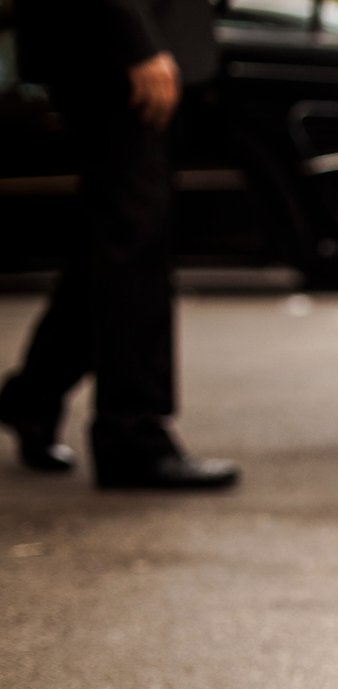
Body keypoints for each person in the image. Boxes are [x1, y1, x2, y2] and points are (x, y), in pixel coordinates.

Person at [0, 0, 239, 489]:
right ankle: (132, 437)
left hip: (133, 44)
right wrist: (136, 43)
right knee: (135, 243)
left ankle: (33, 398)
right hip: (114, 48)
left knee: (113, 242)